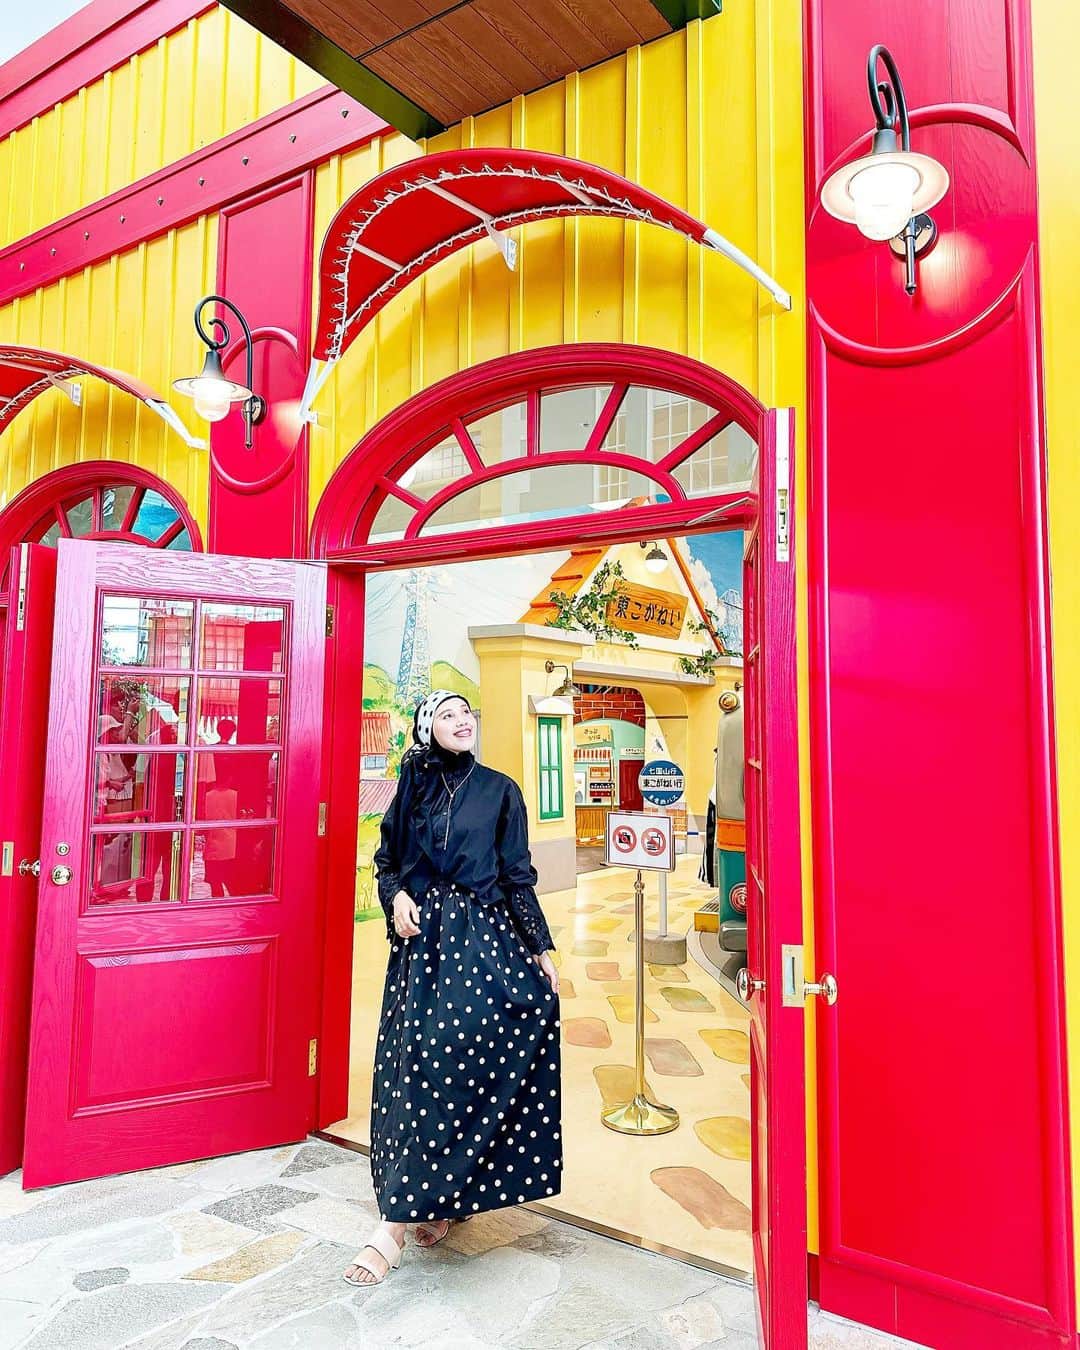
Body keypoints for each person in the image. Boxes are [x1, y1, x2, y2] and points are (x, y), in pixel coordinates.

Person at [344, 690, 563, 1285]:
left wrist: (540, 948)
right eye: (448, 715)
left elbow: (517, 876)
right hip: (423, 949)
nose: (463, 721)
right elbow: (387, 861)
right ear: (427, 728)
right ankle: (399, 1220)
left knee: (462, 1067)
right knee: (416, 1070)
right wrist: (396, 898)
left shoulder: (500, 790)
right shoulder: (411, 786)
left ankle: (438, 1201)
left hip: (483, 942)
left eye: (467, 712)